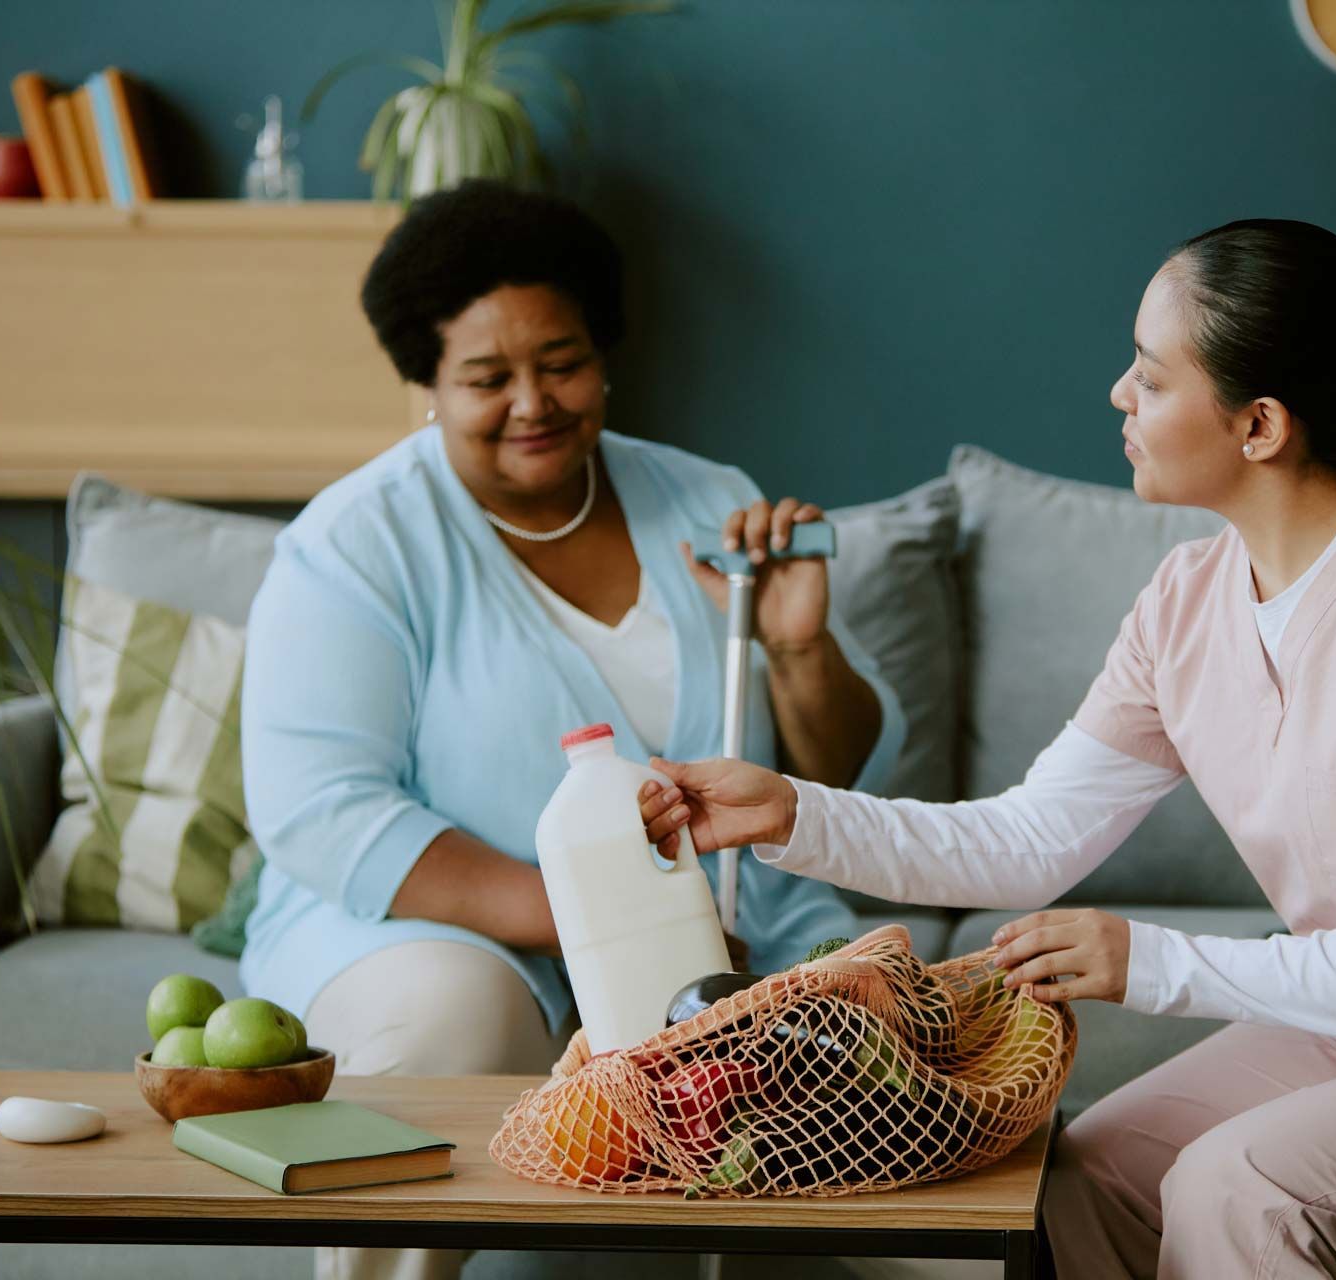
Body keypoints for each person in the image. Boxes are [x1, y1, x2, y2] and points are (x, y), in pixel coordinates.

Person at [637, 220, 1336, 1279]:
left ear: (1259, 425)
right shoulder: (1187, 600)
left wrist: (1151, 960)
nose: (1119, 394)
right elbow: (1028, 836)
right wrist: (790, 809)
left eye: (1151, 377)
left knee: (1238, 1186)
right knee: (1084, 1168)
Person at [237, 178, 905, 1280]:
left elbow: (839, 769)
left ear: (606, 355)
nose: (533, 402)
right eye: (486, 377)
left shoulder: (708, 500)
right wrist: (633, 934)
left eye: (561, 362)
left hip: (741, 929)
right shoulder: (355, 546)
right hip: (441, 933)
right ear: (428, 382)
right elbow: (325, 811)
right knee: (454, 1012)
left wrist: (793, 646)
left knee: (880, 1039)